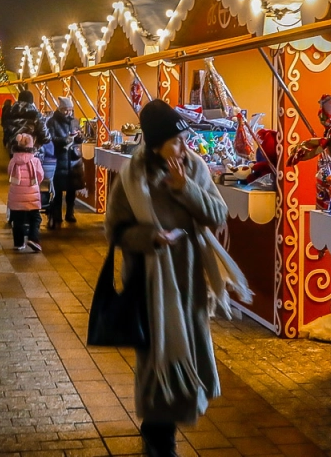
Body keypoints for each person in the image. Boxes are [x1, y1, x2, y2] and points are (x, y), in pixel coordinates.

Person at [105, 100, 250, 457]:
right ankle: (159, 438)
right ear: (155, 144)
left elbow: (217, 215)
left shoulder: (195, 168)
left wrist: (184, 188)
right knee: (156, 359)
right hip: (147, 283)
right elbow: (116, 230)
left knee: (185, 353)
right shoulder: (132, 177)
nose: (184, 146)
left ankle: (163, 427)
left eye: (185, 139)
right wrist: (151, 238)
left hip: (187, 282)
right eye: (176, 140)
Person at [7, 132, 45, 253]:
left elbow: (9, 173)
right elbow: (40, 175)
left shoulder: (13, 160)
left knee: (18, 219)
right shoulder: (35, 161)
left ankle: (18, 243)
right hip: (31, 194)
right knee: (35, 218)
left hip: (16, 194)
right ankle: (33, 238)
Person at [46, 97, 78, 228]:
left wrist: (79, 137)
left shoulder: (74, 121)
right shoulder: (52, 122)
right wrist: (65, 140)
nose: (68, 113)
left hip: (73, 160)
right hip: (59, 159)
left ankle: (70, 213)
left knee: (72, 189)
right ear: (60, 109)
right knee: (57, 189)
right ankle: (57, 214)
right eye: (65, 110)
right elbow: (51, 139)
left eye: (70, 110)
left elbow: (78, 138)